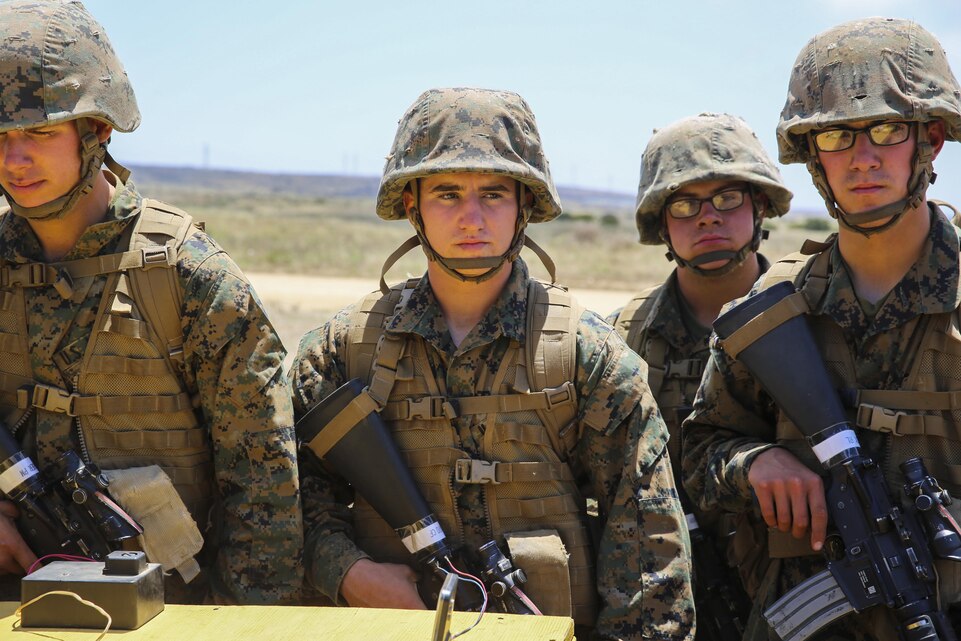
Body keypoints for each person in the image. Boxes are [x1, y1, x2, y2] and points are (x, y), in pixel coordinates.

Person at [290, 87, 693, 640]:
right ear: (413, 208)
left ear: (525, 207)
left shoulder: (585, 357)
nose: (471, 218)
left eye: (495, 194)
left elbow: (649, 551)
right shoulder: (340, 353)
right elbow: (286, 496)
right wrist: (348, 572)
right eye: (448, 194)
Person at [0, 0, 301, 605]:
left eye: (38, 132)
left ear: (97, 129)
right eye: (0, 137)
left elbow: (263, 481)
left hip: (173, 606)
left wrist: (242, 622)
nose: (14, 160)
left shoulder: (188, 275)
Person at [682, 17, 961, 641]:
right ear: (813, 156)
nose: (862, 159)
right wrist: (754, 463)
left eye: (887, 130)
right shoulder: (772, 307)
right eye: (836, 136)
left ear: (932, 138)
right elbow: (698, 453)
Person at [606, 113, 792, 627]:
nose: (708, 217)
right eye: (684, 204)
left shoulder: (813, 315)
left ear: (759, 205)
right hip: (663, 597)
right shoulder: (620, 339)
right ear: (661, 224)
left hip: (797, 582)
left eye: (728, 197)